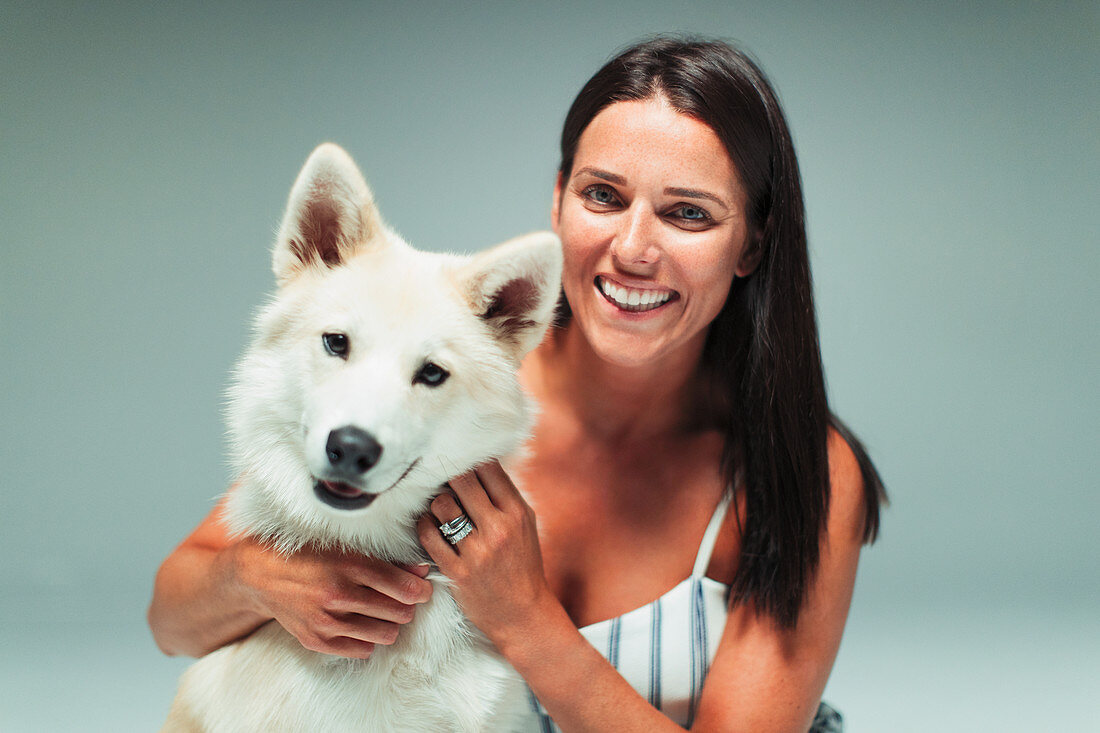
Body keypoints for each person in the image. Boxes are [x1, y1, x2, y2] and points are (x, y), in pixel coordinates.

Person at [149, 36, 885, 732]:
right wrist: (258, 580)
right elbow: (173, 617)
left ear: (752, 241)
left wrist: (526, 617)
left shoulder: (800, 468)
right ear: (559, 199)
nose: (633, 249)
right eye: (603, 195)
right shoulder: (452, 397)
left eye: (687, 212)